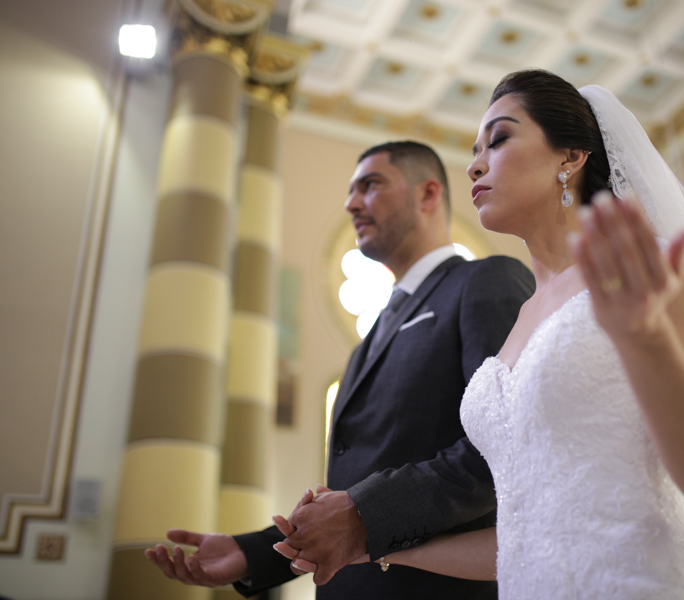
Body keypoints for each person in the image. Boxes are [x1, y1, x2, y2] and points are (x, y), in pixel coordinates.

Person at [277, 71, 684, 598]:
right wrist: (378, 548)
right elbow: (526, 534)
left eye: (498, 140)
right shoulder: (521, 320)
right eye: (474, 149)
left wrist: (647, 338)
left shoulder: (654, 279)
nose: (475, 163)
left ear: (570, 157)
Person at [145, 141, 535, 599]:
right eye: (351, 191)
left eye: (370, 186)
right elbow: (354, 489)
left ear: (428, 194)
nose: (351, 203)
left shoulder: (483, 282)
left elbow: (500, 448)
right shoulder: (368, 342)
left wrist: (361, 516)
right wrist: (254, 554)